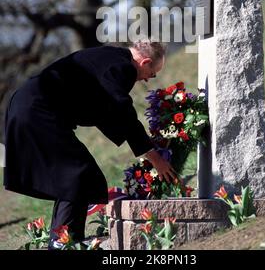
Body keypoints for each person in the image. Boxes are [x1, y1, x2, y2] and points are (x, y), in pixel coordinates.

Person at [3, 39, 176, 249]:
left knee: (76, 177)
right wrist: (154, 156)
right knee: (79, 175)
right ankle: (63, 243)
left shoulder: (110, 58)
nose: (149, 80)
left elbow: (104, 110)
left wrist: (142, 143)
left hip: (27, 106)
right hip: (38, 111)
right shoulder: (123, 67)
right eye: (153, 73)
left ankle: (62, 242)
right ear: (145, 62)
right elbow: (123, 111)